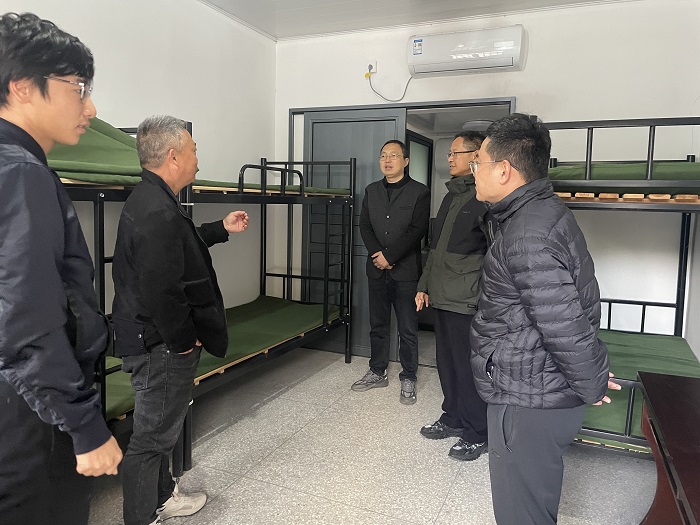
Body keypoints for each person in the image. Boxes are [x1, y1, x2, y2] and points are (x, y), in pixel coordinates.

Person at [0, 12, 124, 525]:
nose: (90, 108)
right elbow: (25, 319)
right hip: (28, 417)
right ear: (22, 87)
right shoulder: (21, 174)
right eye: (78, 89)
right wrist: (84, 425)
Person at [469, 113, 618, 524]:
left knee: (523, 515)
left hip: (527, 400)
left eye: (478, 162)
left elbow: (563, 325)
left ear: (504, 170)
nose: (473, 171)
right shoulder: (539, 214)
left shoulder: (526, 233)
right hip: (536, 388)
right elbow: (562, 310)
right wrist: (590, 375)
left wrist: (591, 381)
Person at [111, 115, 249, 525]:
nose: (197, 158)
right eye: (193, 150)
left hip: (150, 339)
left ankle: (161, 499)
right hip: (160, 345)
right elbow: (163, 293)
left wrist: (220, 228)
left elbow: (177, 249)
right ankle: (142, 517)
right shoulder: (157, 210)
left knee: (159, 432)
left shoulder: (152, 200)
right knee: (151, 440)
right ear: (173, 156)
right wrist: (185, 342)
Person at [416, 131, 490, 461]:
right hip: (442, 294)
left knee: (467, 366)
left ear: (475, 156)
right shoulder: (450, 197)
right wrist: (423, 285)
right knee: (446, 362)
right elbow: (435, 250)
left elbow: (493, 255)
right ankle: (453, 417)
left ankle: (477, 431)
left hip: (467, 299)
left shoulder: (485, 197)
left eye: (455, 153)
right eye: (449, 153)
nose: (449, 158)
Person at [352, 139, 430, 404]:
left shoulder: (419, 192)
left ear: (405, 161)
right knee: (378, 325)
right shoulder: (371, 190)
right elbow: (364, 226)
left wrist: (390, 256)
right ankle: (377, 371)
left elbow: (417, 230)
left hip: (405, 272)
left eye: (393, 155)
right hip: (376, 269)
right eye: (383, 155)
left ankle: (409, 376)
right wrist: (378, 255)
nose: (387, 160)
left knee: (407, 328)